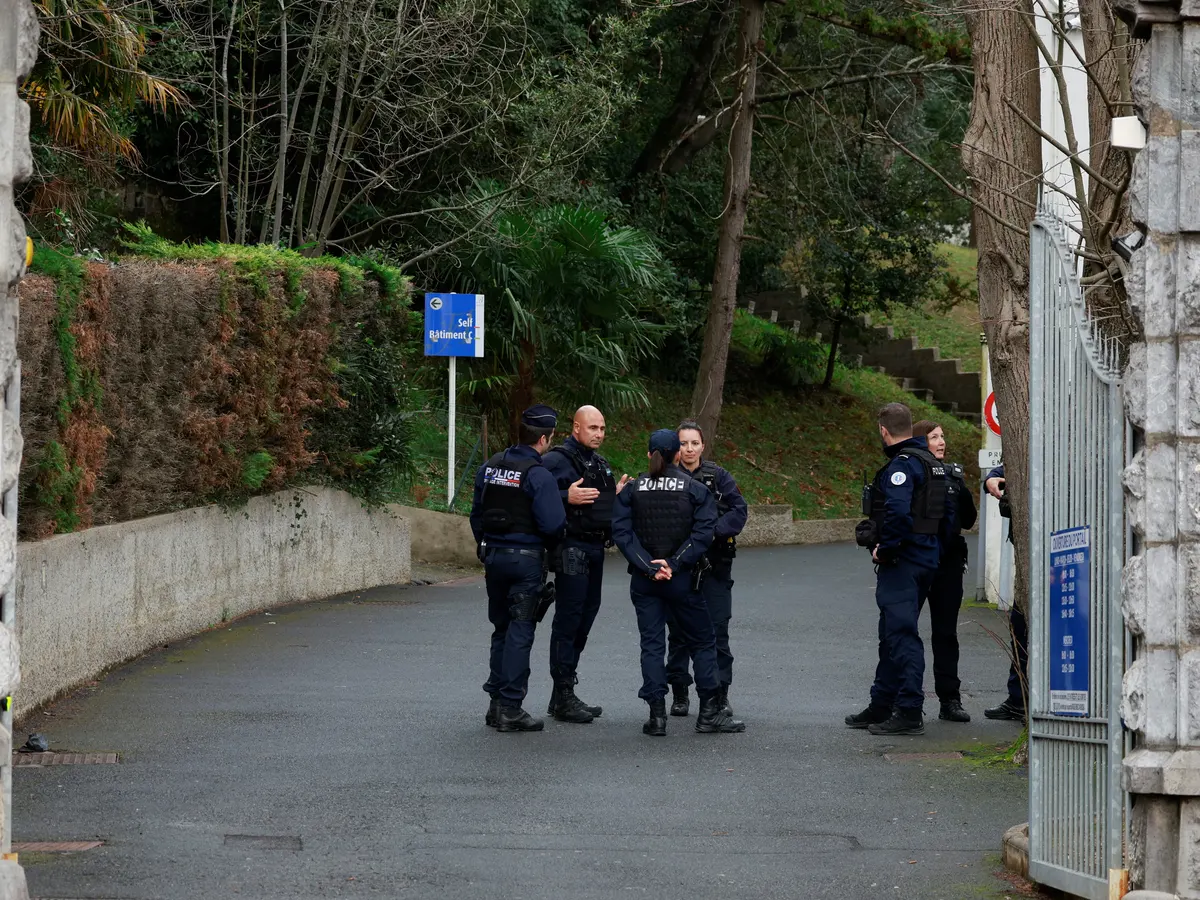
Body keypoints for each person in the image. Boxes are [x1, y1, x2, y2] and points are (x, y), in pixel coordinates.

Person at [611, 429, 745, 737]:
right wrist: (673, 564)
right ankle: (709, 712)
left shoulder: (632, 490)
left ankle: (657, 716)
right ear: (676, 455)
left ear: (649, 455)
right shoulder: (694, 489)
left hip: (645, 582)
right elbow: (703, 532)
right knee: (702, 641)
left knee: (652, 645)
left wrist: (649, 566)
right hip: (683, 579)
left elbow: (622, 533)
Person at [847, 403, 947, 736]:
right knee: (891, 634)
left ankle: (908, 711)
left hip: (903, 562)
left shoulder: (902, 467)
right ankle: (881, 705)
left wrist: (884, 549)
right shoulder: (932, 465)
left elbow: (899, 514)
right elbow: (948, 518)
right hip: (926, 560)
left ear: (884, 431)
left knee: (902, 636)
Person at [469, 404, 567, 733]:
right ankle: (511, 706)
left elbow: (476, 513)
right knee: (521, 631)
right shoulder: (538, 474)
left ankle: (495, 704)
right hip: (525, 559)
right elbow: (554, 524)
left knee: (501, 629)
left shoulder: (491, 466)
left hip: (494, 556)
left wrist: (486, 543)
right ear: (543, 438)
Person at [541, 406, 631, 723]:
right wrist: (567, 496)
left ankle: (561, 692)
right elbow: (531, 492)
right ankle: (563, 693)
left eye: (603, 428)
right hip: (571, 547)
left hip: (595, 548)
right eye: (593, 427)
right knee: (569, 620)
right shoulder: (556, 459)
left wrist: (616, 494)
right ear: (576, 427)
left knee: (585, 619)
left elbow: (600, 504)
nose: (599, 433)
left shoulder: (599, 463)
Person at [665, 420, 748, 718]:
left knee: (718, 632)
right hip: (680, 566)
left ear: (703, 446)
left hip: (715, 566)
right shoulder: (666, 477)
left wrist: (710, 532)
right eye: (683, 443)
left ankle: (719, 695)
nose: (689, 449)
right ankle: (680, 693)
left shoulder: (719, 477)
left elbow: (740, 510)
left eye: (694, 443)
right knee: (678, 634)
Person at [912, 420, 977, 723]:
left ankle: (949, 699)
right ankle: (906, 700)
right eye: (934, 436)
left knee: (946, 634)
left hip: (948, 564)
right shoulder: (910, 473)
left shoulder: (954, 476)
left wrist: (958, 488)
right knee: (903, 631)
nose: (941, 441)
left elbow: (967, 519)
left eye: (942, 436)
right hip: (914, 562)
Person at [982, 463, 1028, 721]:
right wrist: (992, 477)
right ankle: (1018, 698)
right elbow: (1003, 470)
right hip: (1024, 553)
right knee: (1019, 625)